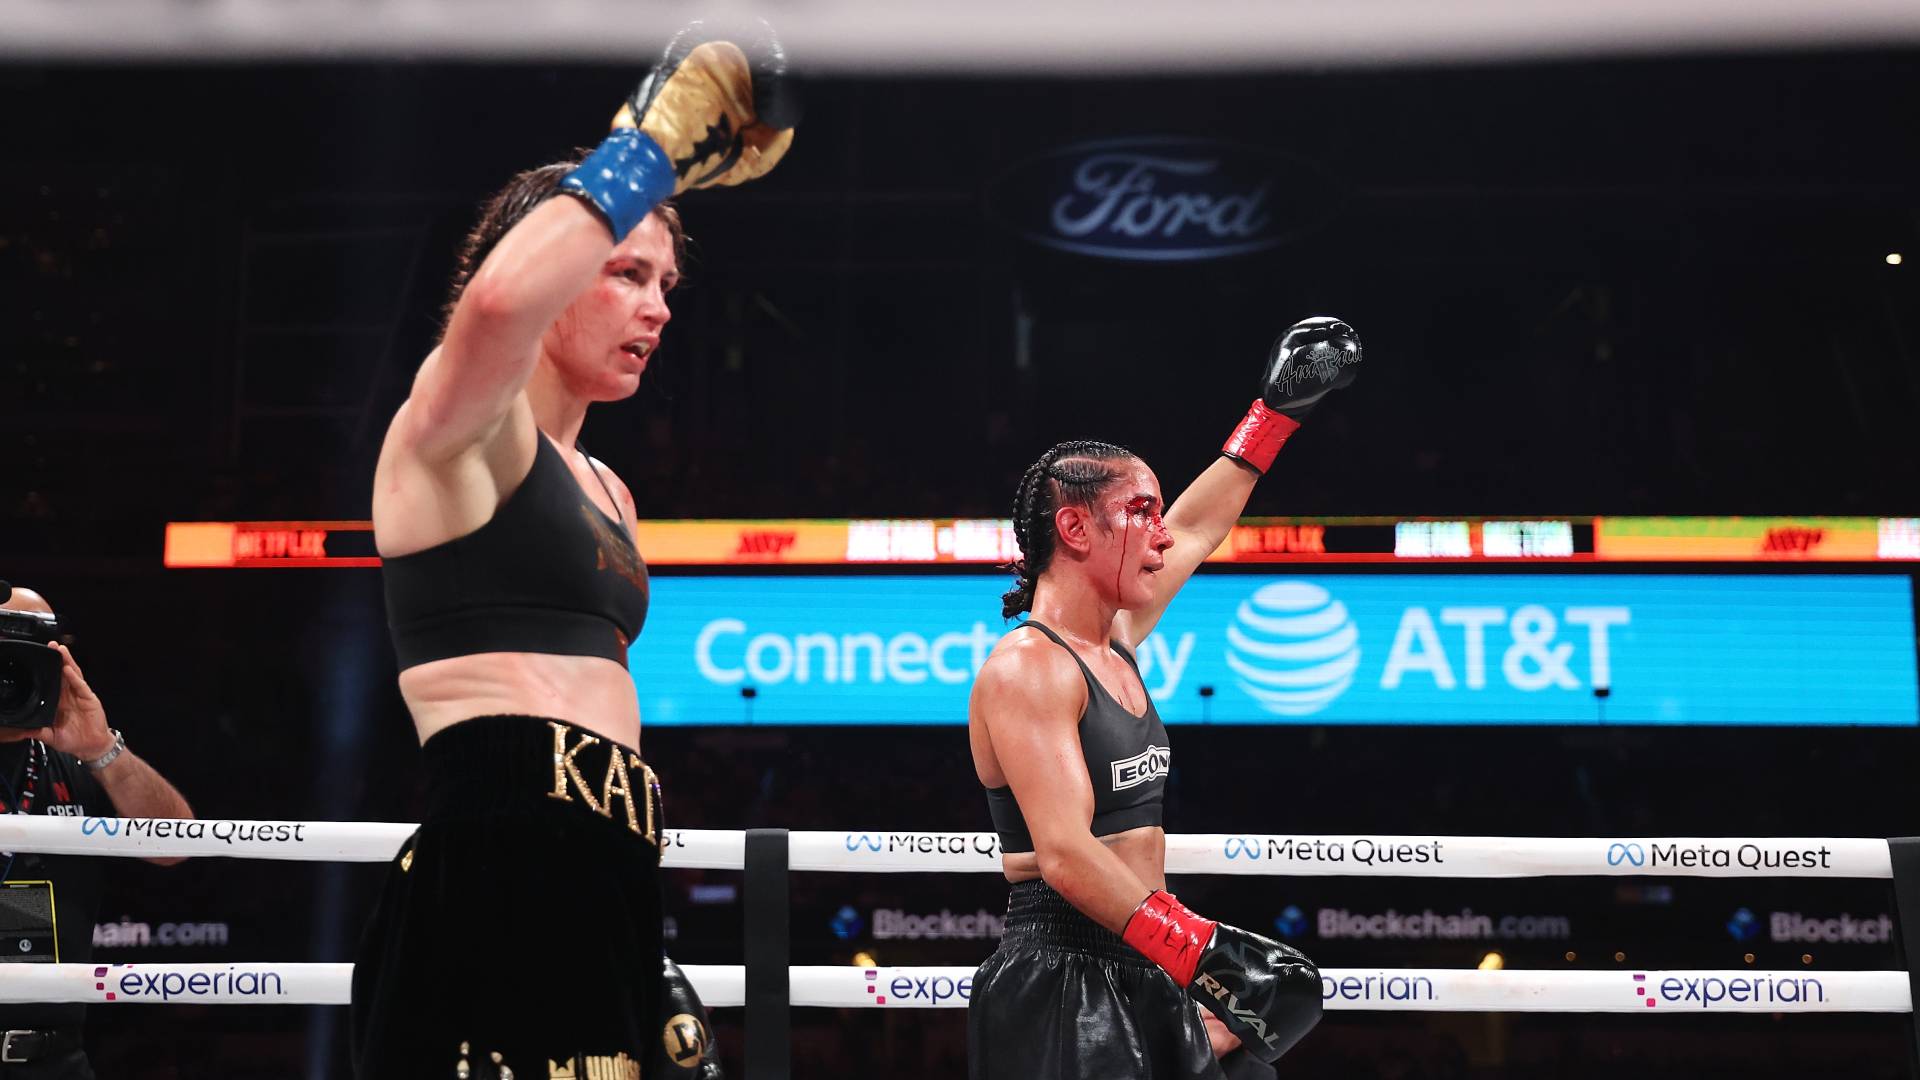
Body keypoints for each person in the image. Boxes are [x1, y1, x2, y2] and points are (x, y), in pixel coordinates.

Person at [350, 23, 794, 1079]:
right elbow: (499, 302)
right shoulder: (457, 433)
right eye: (626, 273)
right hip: (495, 848)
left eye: (667, 285)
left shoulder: (609, 490)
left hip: (608, 868)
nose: (655, 307)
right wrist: (647, 147)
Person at [965, 318, 1362, 1080]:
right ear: (1074, 528)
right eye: (1140, 512)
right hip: (1065, 974)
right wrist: (1202, 953)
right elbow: (1065, 853)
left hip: (1147, 951)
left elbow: (1199, 526)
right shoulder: (1028, 667)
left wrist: (1274, 414)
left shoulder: (1113, 641)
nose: (1161, 532)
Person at [0, 585, 194, 1079]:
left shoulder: (75, 761)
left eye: (26, 655)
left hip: (51, 1058)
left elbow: (177, 844)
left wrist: (102, 748)